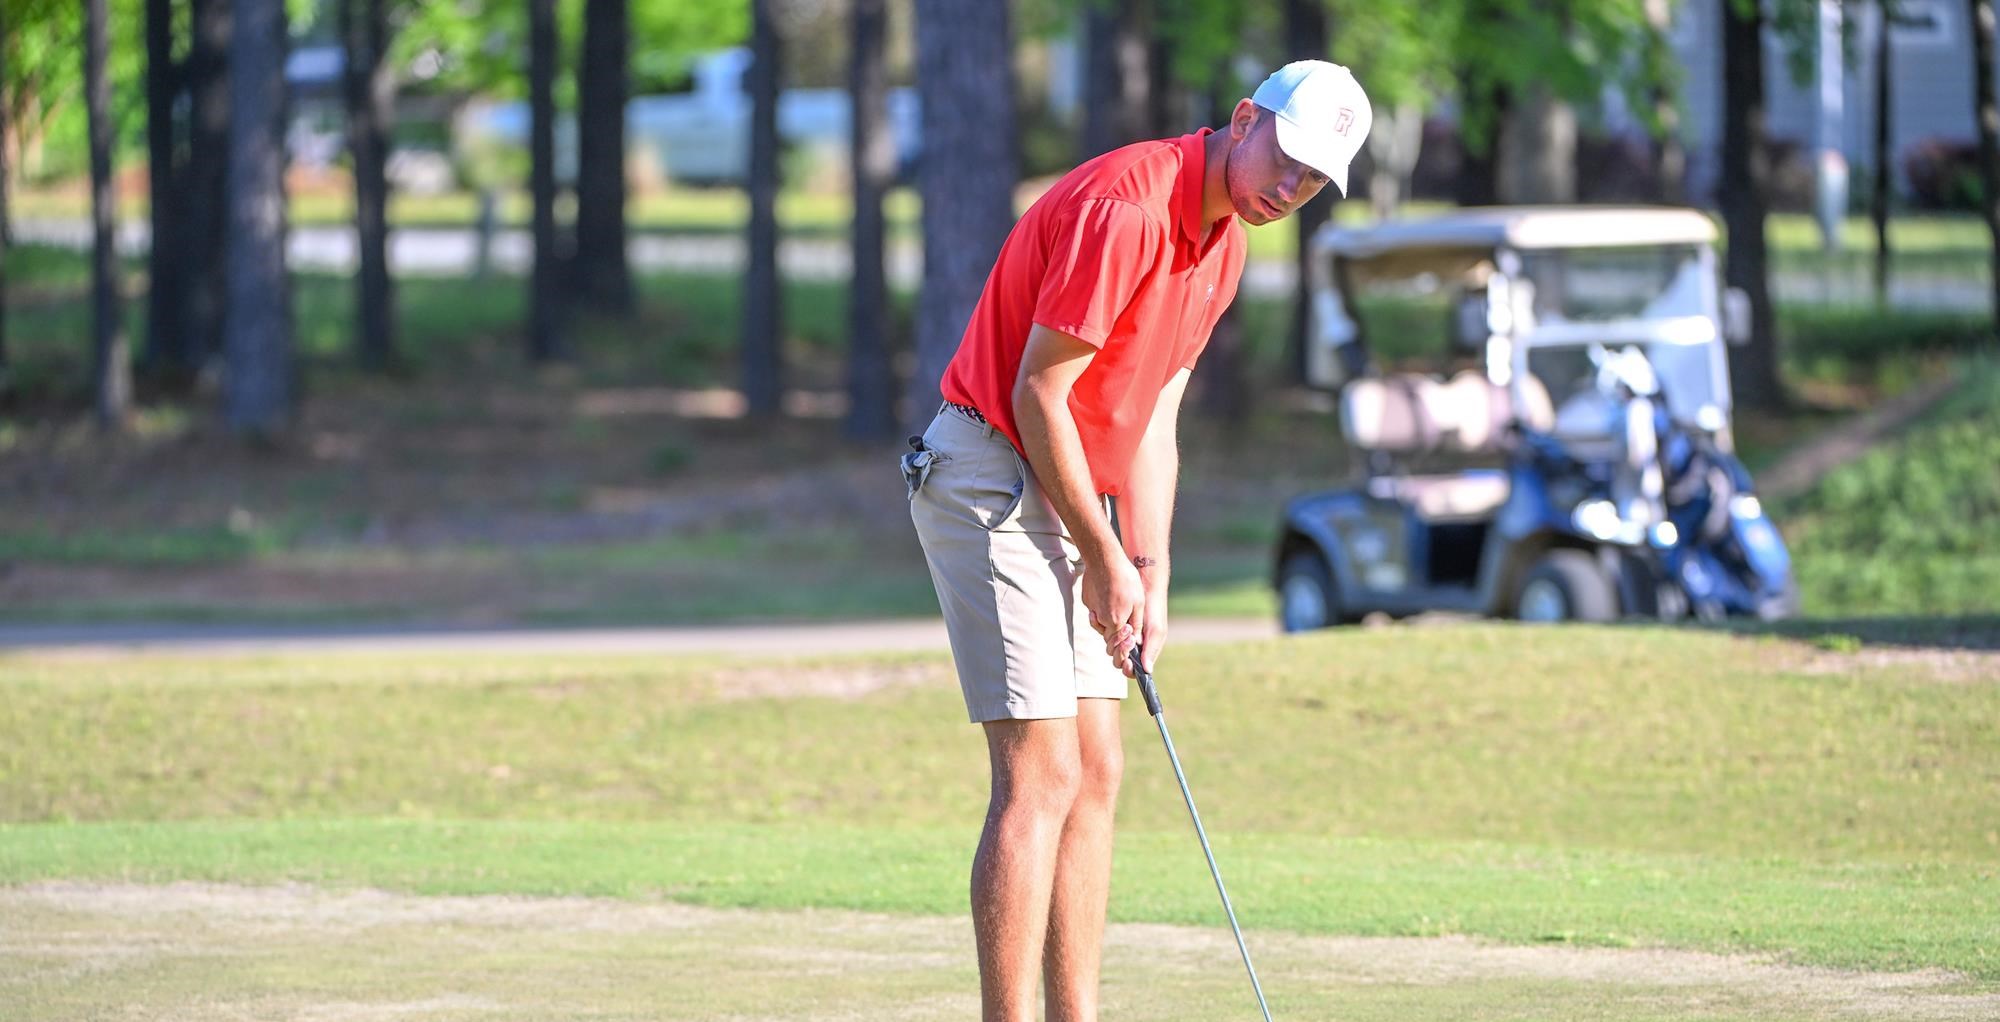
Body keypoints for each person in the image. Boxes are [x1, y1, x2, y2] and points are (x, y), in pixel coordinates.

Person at [898, 60, 1373, 1022]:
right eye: (1286, 158)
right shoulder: (1128, 208)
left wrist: (1148, 572)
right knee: (1043, 771)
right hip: (989, 465)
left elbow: (1156, 416)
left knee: (1099, 768)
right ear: (1245, 118)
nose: (1291, 186)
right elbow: (1039, 393)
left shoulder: (1225, 246)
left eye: (1315, 178)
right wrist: (1105, 557)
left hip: (1068, 482)